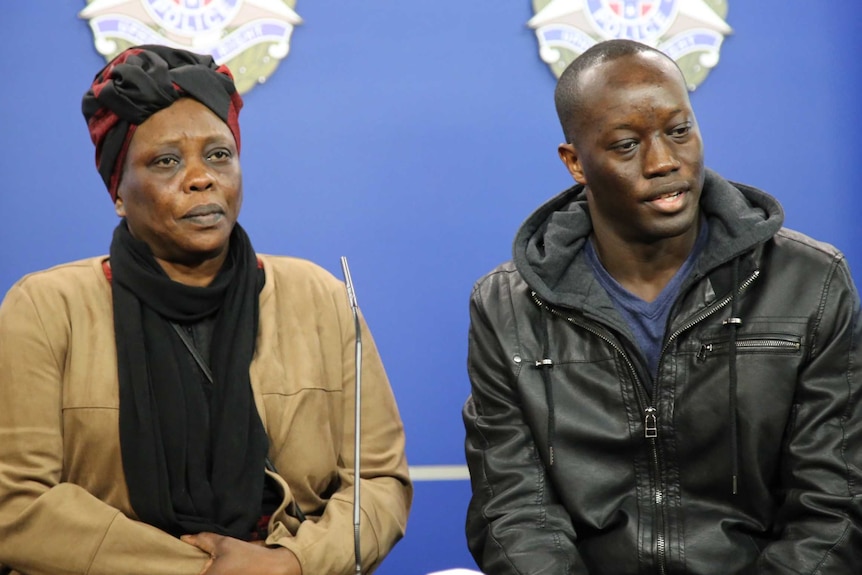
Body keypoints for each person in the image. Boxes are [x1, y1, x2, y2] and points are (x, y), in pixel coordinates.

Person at [0, 45, 411, 575]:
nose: (201, 178)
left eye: (219, 155)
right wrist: (203, 570)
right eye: (166, 161)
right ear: (118, 193)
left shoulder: (320, 297)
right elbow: (17, 504)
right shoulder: (45, 308)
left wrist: (291, 562)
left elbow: (378, 484)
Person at [462, 39, 862, 574]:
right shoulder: (505, 306)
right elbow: (514, 512)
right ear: (575, 163)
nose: (664, 162)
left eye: (679, 131)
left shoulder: (809, 280)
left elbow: (833, 507)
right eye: (626, 145)